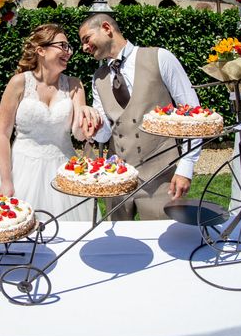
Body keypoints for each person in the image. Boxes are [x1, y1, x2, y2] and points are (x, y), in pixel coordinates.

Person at [78, 13, 201, 220]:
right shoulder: (97, 78)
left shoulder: (160, 57)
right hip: (116, 178)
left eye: (86, 38)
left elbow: (192, 114)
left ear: (106, 28)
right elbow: (106, 132)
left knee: (165, 241)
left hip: (161, 177)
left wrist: (186, 167)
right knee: (120, 248)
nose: (84, 47)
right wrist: (94, 127)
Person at [0, 23, 101, 221]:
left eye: (69, 47)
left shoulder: (75, 85)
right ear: (41, 50)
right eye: (63, 46)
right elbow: (3, 135)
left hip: (64, 168)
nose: (68, 52)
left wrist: (89, 119)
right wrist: (7, 181)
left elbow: (78, 132)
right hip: (23, 168)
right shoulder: (19, 83)